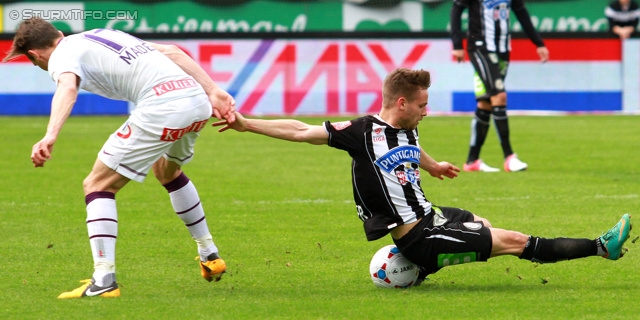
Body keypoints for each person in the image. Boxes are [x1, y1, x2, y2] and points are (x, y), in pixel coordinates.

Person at [212, 68, 632, 285]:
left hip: (432, 213)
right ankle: (601, 248)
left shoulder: (409, 126)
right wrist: (247, 124)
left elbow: (410, 147)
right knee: (514, 241)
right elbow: (301, 130)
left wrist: (431, 165)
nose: (427, 111)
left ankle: (418, 274)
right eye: (423, 104)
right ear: (401, 102)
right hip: (419, 237)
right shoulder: (362, 132)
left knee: (481, 222)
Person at [3, 18, 236, 298]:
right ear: (59, 33)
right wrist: (213, 89)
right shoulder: (101, 33)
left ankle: (103, 281)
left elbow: (66, 88)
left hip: (163, 107)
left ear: (34, 55)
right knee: (167, 172)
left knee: (97, 184)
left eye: (33, 62)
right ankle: (209, 254)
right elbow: (172, 51)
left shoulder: (59, 56)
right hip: (196, 100)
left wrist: (50, 135)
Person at [450, 0, 549, 172]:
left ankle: (472, 160)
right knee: (499, 95)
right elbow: (456, 10)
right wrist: (457, 44)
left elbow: (521, 13)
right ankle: (509, 157)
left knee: (486, 102)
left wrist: (538, 43)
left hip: (503, 49)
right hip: (480, 47)